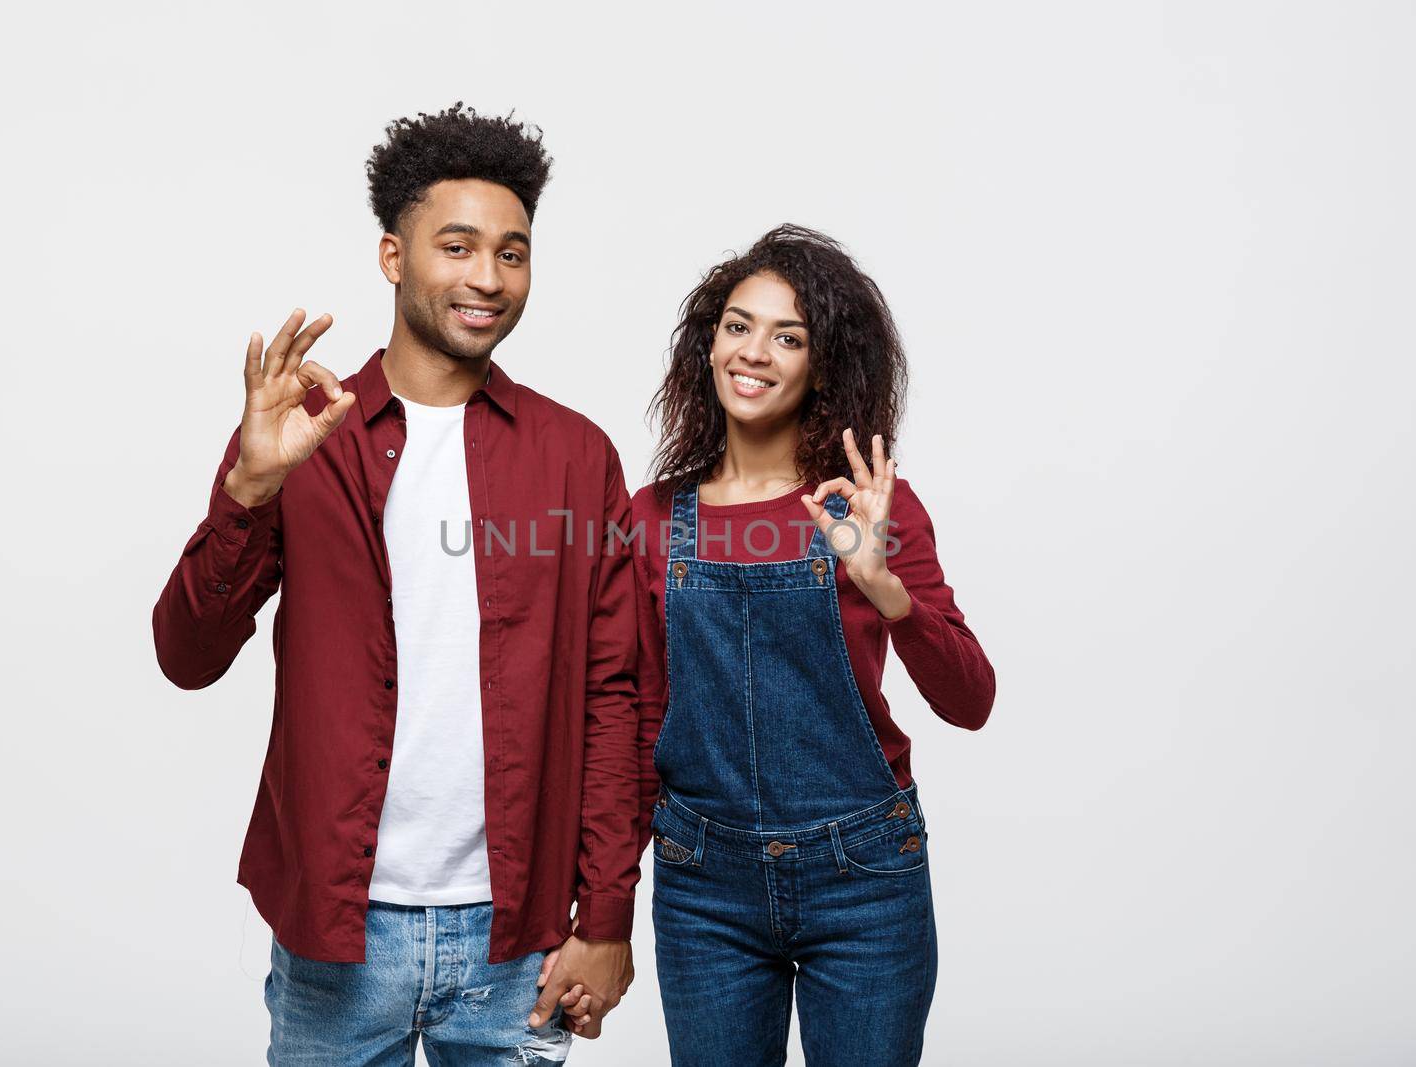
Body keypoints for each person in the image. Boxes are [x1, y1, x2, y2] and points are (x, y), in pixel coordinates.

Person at [152, 103, 638, 1064]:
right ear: (392, 257)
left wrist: (609, 913)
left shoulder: (576, 457)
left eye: (512, 252)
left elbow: (614, 694)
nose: (486, 278)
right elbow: (186, 654)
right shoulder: (304, 437)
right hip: (339, 928)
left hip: (518, 937)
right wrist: (249, 488)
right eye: (456, 246)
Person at [630, 224, 997, 1065]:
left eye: (787, 336)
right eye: (737, 325)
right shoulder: (652, 518)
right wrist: (601, 904)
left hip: (863, 875)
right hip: (703, 884)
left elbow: (971, 699)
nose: (753, 352)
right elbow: (637, 715)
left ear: (822, 365)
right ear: (708, 343)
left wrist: (882, 582)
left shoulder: (870, 509)